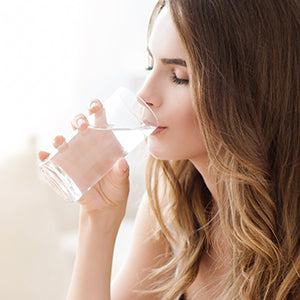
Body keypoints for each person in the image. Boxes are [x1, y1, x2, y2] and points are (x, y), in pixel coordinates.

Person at [38, 0, 300, 299]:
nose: (144, 95)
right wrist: (98, 218)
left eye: (179, 76)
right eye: (150, 65)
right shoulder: (173, 204)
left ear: (251, 93)